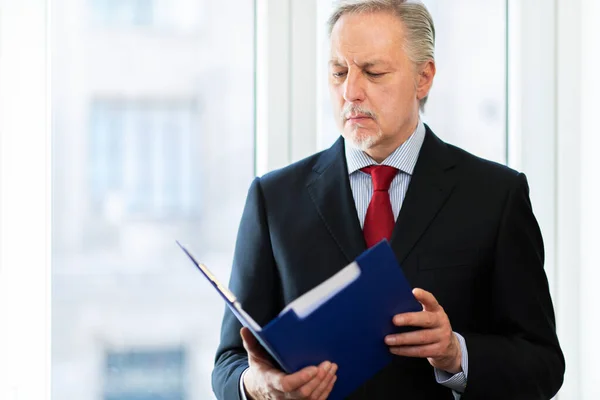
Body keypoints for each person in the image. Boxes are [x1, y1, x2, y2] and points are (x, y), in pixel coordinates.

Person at [212, 0, 565, 398]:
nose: (350, 91)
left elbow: (543, 364)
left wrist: (456, 354)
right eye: (339, 72)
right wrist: (257, 386)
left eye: (373, 72)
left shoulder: (495, 195)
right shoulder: (273, 199)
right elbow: (229, 362)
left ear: (423, 78)